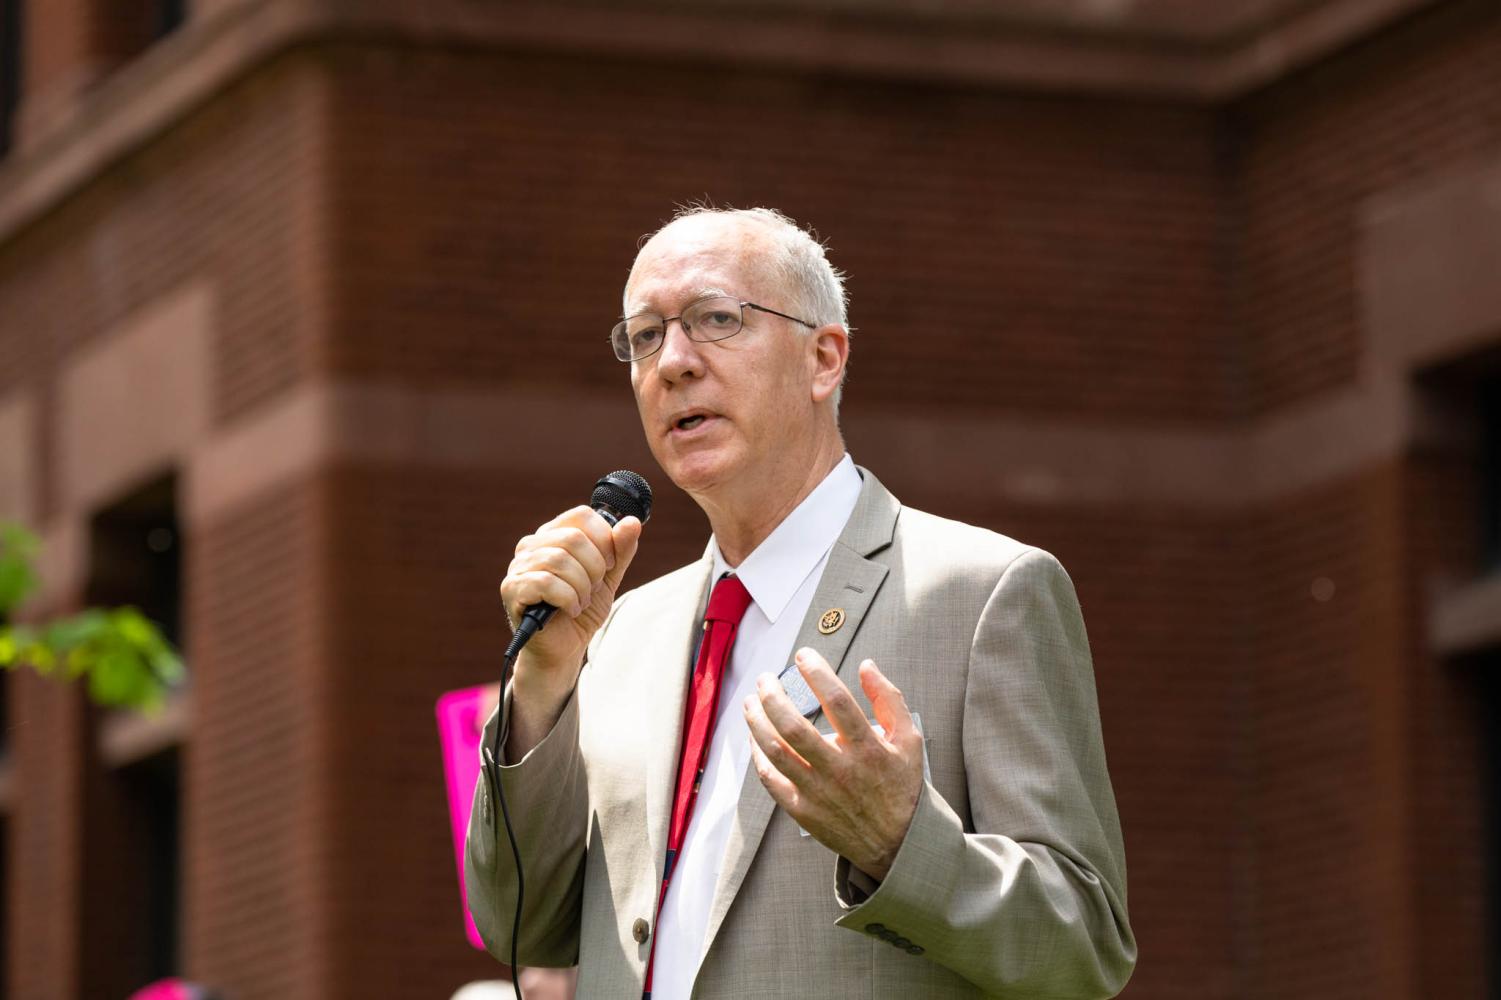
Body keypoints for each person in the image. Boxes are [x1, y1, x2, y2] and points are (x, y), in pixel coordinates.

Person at [465, 207, 1137, 999]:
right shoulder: (618, 633)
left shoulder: (985, 591)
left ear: (823, 359)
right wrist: (540, 686)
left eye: (716, 319)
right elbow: (520, 930)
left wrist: (899, 846)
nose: (672, 361)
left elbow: (1084, 945)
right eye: (644, 336)